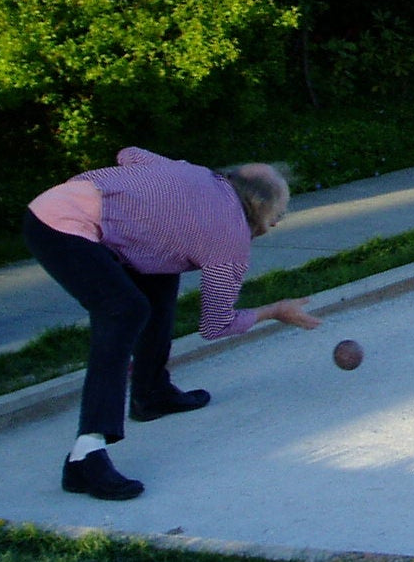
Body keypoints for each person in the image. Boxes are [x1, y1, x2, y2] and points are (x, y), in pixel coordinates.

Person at [24, 147, 323, 500]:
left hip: (56, 204)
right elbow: (216, 324)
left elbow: (128, 154)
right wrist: (273, 311)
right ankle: (85, 457)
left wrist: (163, 186)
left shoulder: (194, 171)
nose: (276, 223)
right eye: (279, 214)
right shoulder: (228, 239)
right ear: (261, 209)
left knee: (162, 270)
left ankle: (152, 394)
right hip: (60, 228)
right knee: (124, 311)